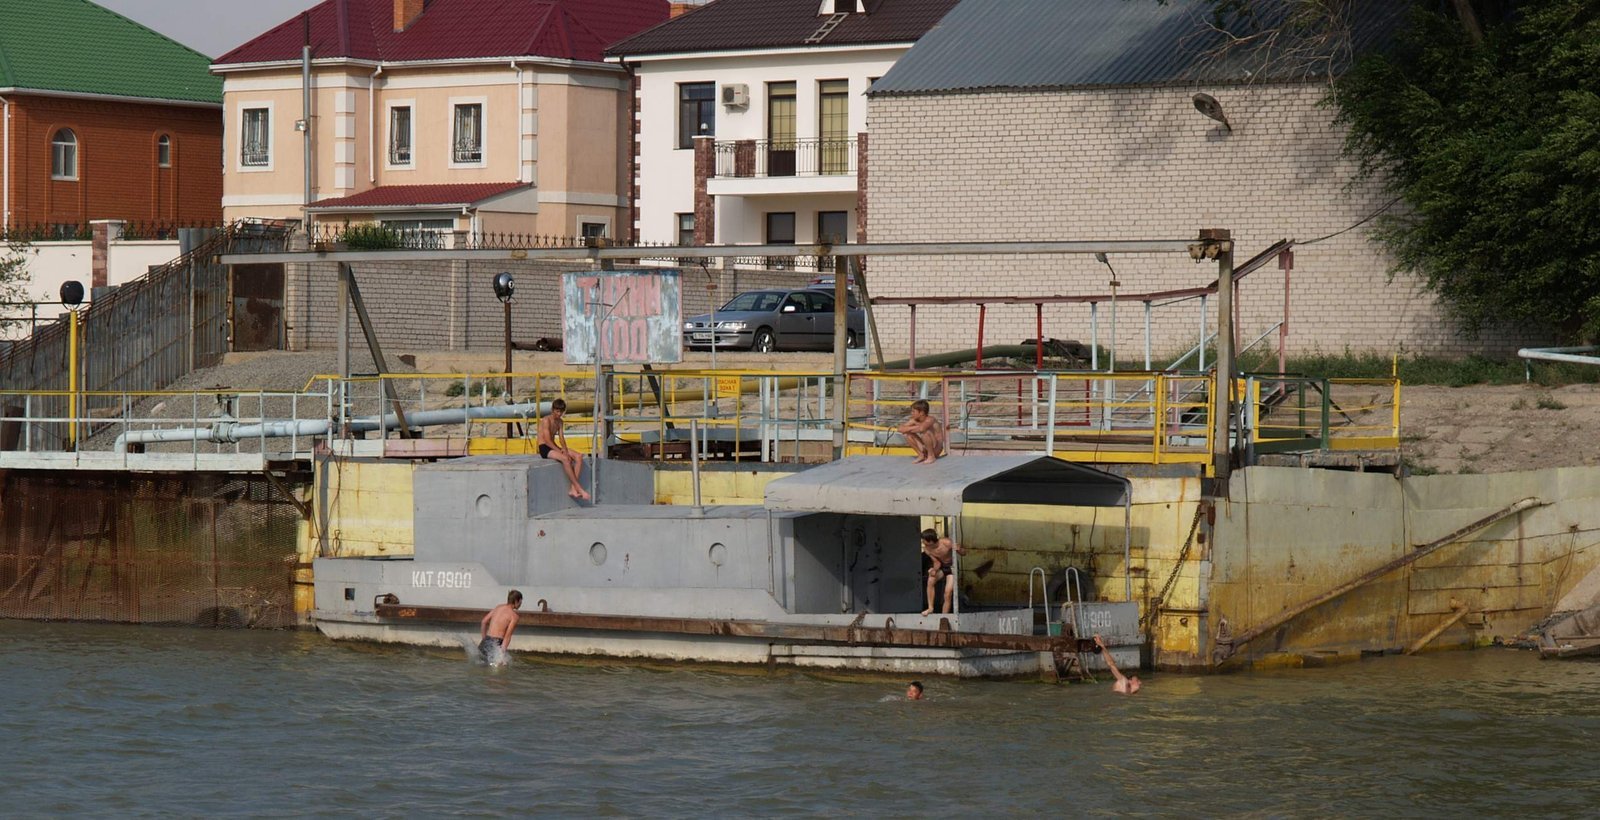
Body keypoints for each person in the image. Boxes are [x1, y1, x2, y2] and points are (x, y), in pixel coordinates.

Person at [538, 399, 589, 500]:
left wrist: (565, 450)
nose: (559, 414)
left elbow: (561, 438)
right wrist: (560, 452)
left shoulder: (560, 422)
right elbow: (547, 440)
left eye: (561, 412)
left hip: (553, 446)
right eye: (557, 411)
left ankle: (573, 489)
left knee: (578, 456)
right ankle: (579, 488)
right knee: (565, 459)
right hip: (544, 448)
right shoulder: (546, 420)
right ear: (552, 410)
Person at [919, 528, 967, 616]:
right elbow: (936, 562)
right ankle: (930, 608)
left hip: (952, 567)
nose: (922, 542)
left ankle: (944, 616)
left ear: (930, 541)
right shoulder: (927, 549)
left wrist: (959, 549)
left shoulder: (946, 543)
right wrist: (934, 570)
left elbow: (964, 553)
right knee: (931, 580)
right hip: (942, 566)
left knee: (948, 593)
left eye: (924, 540)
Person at [478, 590, 523, 666]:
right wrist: (501, 655)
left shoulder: (498, 607)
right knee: (498, 673)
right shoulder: (514, 616)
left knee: (481, 669)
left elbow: (483, 622)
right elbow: (507, 637)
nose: (521, 604)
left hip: (484, 642)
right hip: (496, 643)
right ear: (516, 601)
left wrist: (484, 639)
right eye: (520, 602)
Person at [897, 399, 946, 464]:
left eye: (913, 411)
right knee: (907, 435)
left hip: (936, 448)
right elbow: (900, 429)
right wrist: (915, 427)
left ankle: (931, 456)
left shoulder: (931, 419)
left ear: (921, 413)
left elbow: (922, 429)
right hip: (925, 447)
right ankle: (921, 455)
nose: (912, 413)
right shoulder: (914, 420)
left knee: (925, 432)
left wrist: (910, 428)